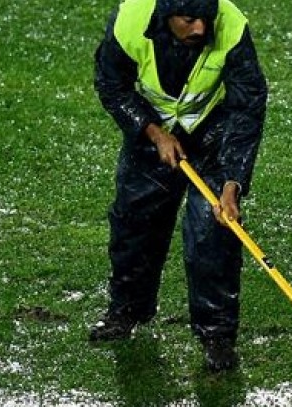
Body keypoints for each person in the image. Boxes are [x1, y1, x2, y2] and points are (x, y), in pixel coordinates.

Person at [91, 0, 267, 373]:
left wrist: (232, 183)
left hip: (213, 133)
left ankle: (217, 336)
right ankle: (127, 312)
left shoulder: (232, 26)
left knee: (213, 231)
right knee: (134, 221)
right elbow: (111, 84)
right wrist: (153, 132)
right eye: (189, 20)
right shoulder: (130, 20)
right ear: (167, 15)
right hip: (152, 131)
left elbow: (247, 107)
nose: (201, 28)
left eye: (205, 18)